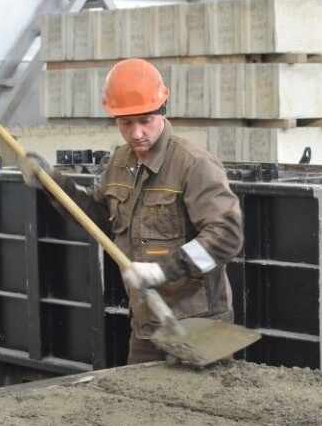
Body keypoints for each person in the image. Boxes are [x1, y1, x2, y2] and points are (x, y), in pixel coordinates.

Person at [18, 58, 243, 364]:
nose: (136, 133)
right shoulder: (121, 162)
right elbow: (97, 217)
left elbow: (226, 238)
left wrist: (165, 268)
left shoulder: (193, 164)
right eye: (126, 123)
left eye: (145, 120)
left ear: (163, 110)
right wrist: (52, 183)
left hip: (198, 324)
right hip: (147, 327)